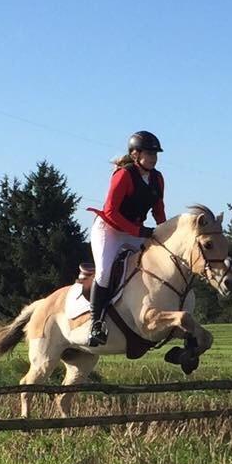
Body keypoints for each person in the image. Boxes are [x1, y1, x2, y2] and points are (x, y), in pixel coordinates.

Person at [85, 130, 167, 347]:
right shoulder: (123, 175)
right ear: (134, 155)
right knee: (104, 272)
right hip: (109, 230)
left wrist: (165, 233)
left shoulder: (157, 179)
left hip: (134, 231)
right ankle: (96, 323)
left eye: (155, 154)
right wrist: (138, 231)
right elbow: (111, 212)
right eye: (149, 153)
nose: (153, 158)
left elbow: (159, 211)